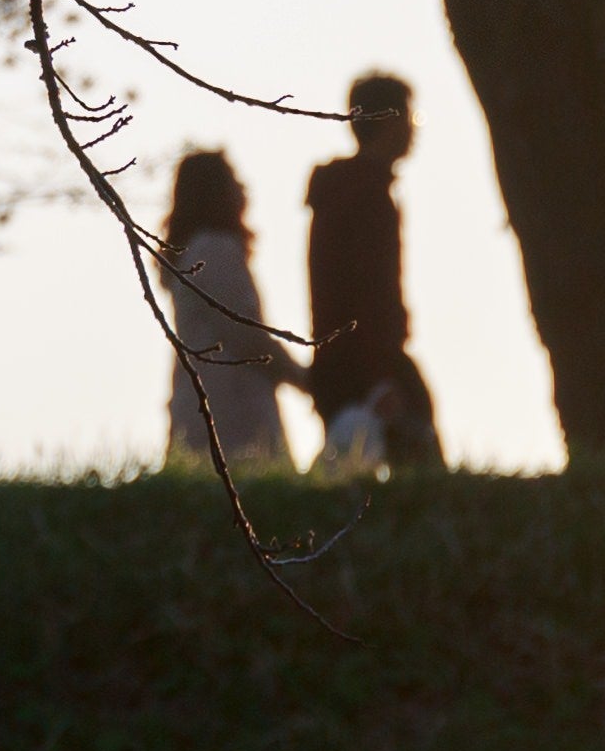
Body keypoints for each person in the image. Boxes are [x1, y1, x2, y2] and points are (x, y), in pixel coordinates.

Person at [306, 75, 446, 474]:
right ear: (390, 120)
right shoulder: (366, 197)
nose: (414, 128)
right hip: (369, 367)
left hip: (342, 366)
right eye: (410, 116)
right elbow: (368, 293)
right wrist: (381, 378)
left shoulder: (339, 193)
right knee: (423, 482)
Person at [155, 149, 297, 475]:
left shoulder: (192, 253)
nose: (242, 188)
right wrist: (304, 378)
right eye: (233, 179)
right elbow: (247, 336)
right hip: (232, 414)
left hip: (203, 408)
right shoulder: (214, 250)